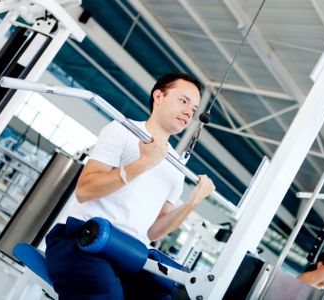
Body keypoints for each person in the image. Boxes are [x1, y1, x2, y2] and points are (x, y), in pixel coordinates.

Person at [45, 72, 216, 299]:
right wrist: (143, 163)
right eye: (183, 101)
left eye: (193, 110)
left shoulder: (177, 168)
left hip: (131, 254)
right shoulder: (122, 130)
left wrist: (193, 201)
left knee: (174, 295)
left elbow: (154, 230)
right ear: (159, 96)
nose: (188, 112)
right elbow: (85, 190)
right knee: (107, 293)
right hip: (83, 240)